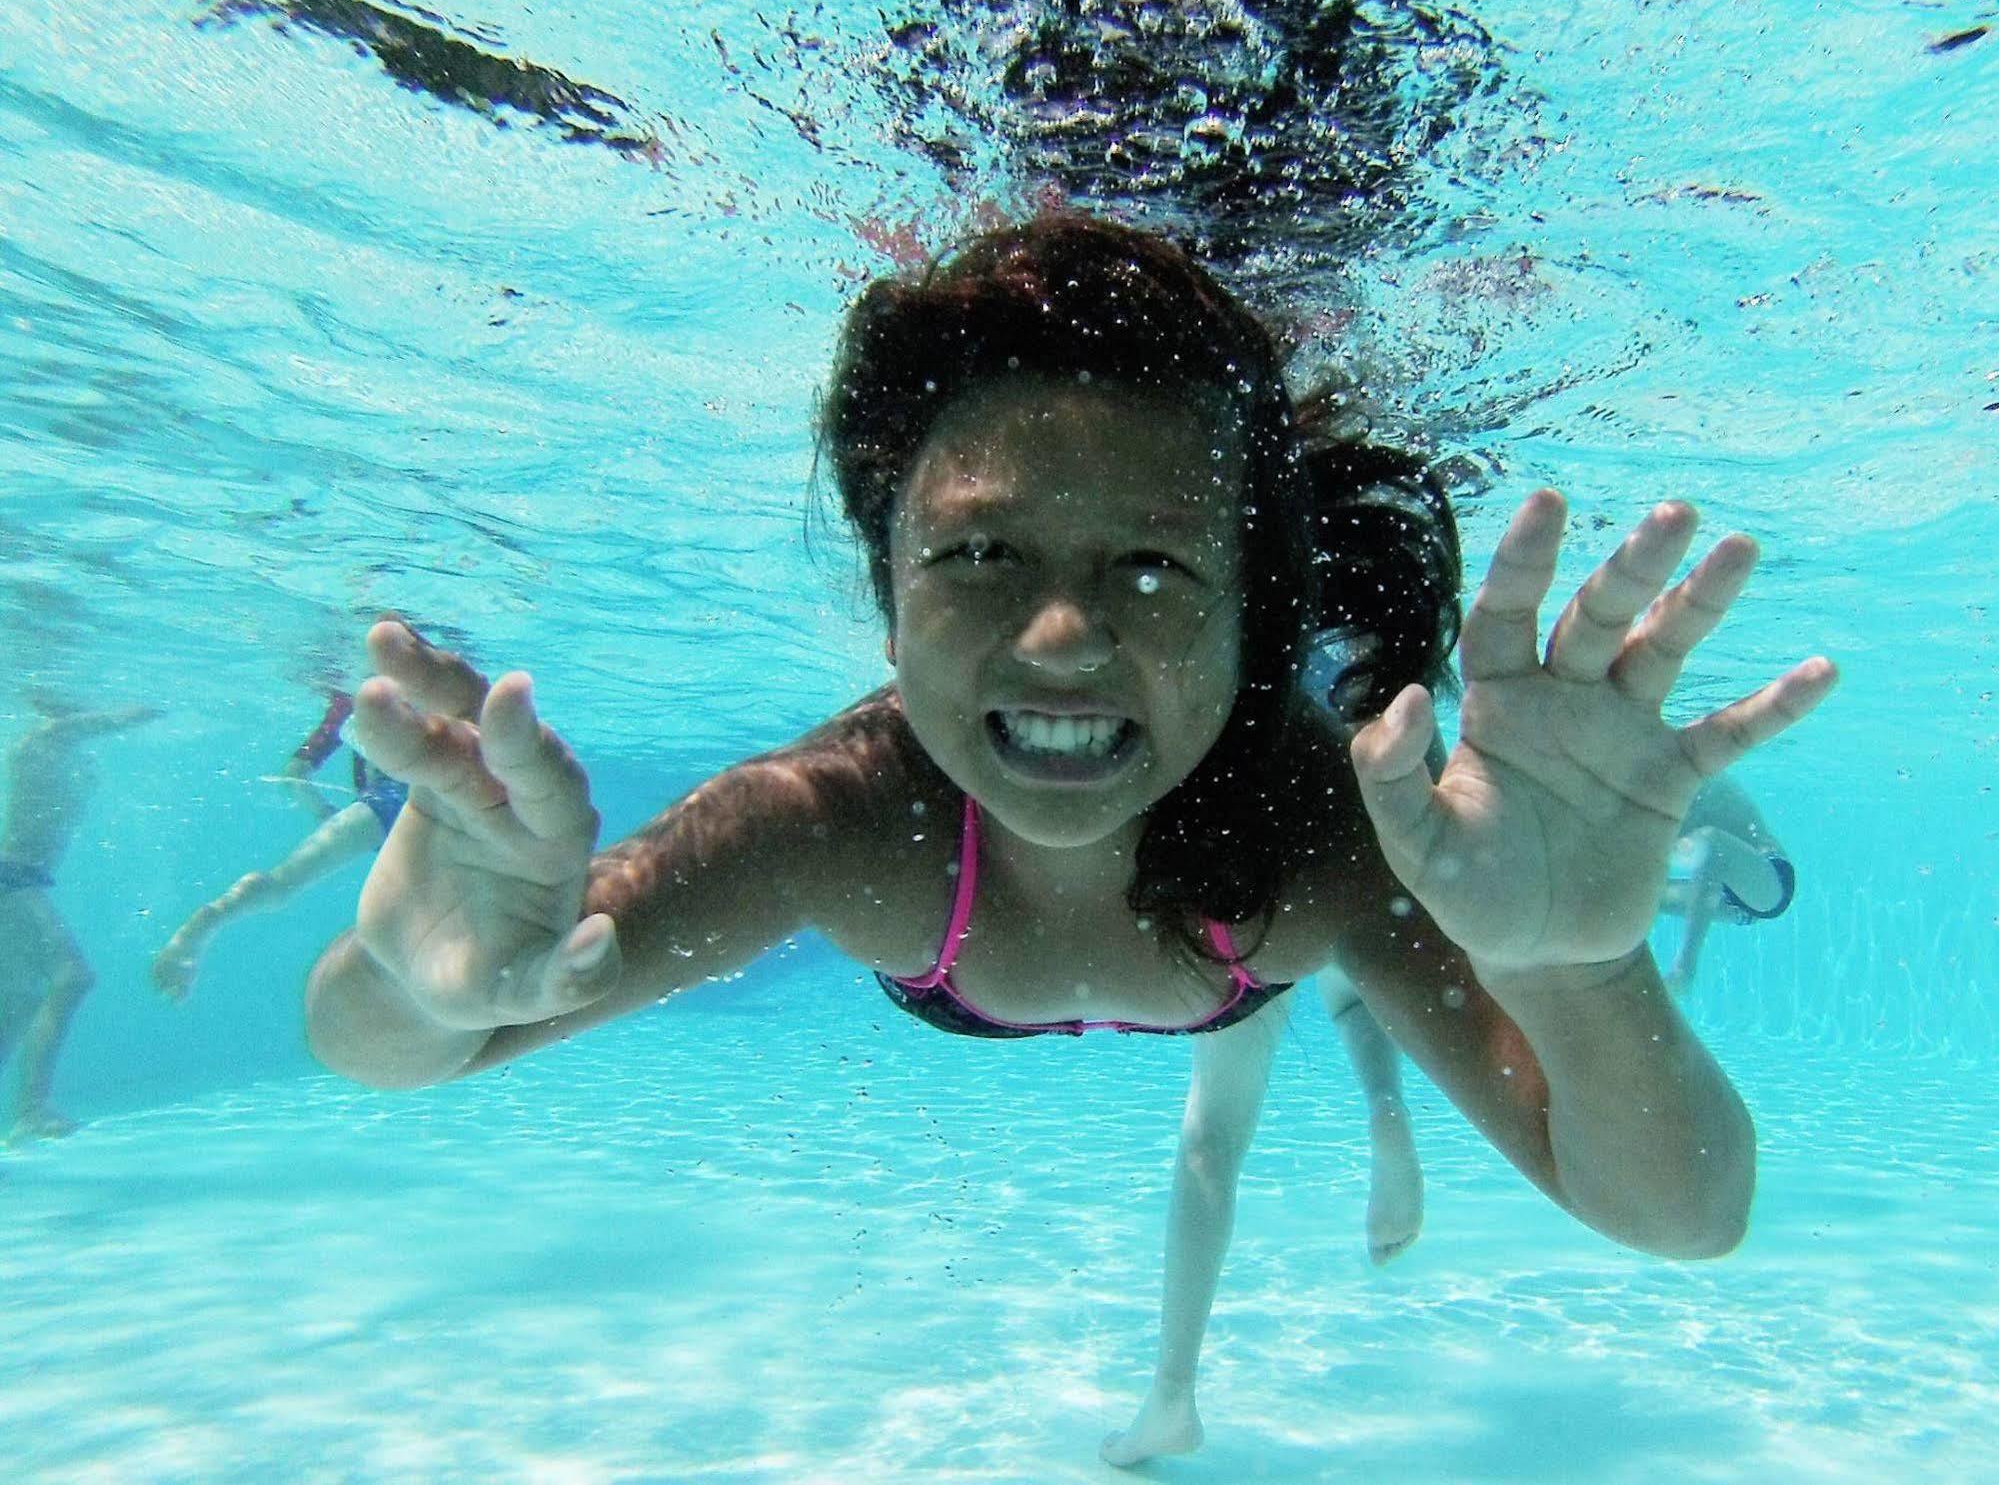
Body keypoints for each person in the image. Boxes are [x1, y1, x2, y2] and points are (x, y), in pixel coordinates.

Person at [301, 215, 1836, 1466]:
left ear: (1254, 620)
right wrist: (415, 974)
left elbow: (1680, 1213)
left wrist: (1575, 963)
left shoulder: (1316, 837)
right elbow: (388, 1047)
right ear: (884, 587)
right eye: (975, 553)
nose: (1057, 638)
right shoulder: (840, 821)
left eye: (1155, 567)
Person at [151, 691, 410, 1000]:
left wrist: (323, 812)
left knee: (283, 884)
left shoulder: (358, 695)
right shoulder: (445, 683)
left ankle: (203, 928)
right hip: (424, 806)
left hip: (384, 806)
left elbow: (294, 774)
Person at [1, 695, 159, 1143]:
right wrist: (136, 711)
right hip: (11, 877)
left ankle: (29, 1110)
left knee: (20, 999)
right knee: (73, 977)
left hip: (22, 879)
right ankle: (31, 1108)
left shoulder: (65, 758)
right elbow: (65, 731)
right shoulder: (35, 744)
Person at [1659, 773, 1795, 990]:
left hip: (1769, 878)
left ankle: (1684, 969)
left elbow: (1705, 847)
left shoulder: (1689, 776)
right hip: (1721, 891)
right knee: (1632, 895)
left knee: (1713, 845)